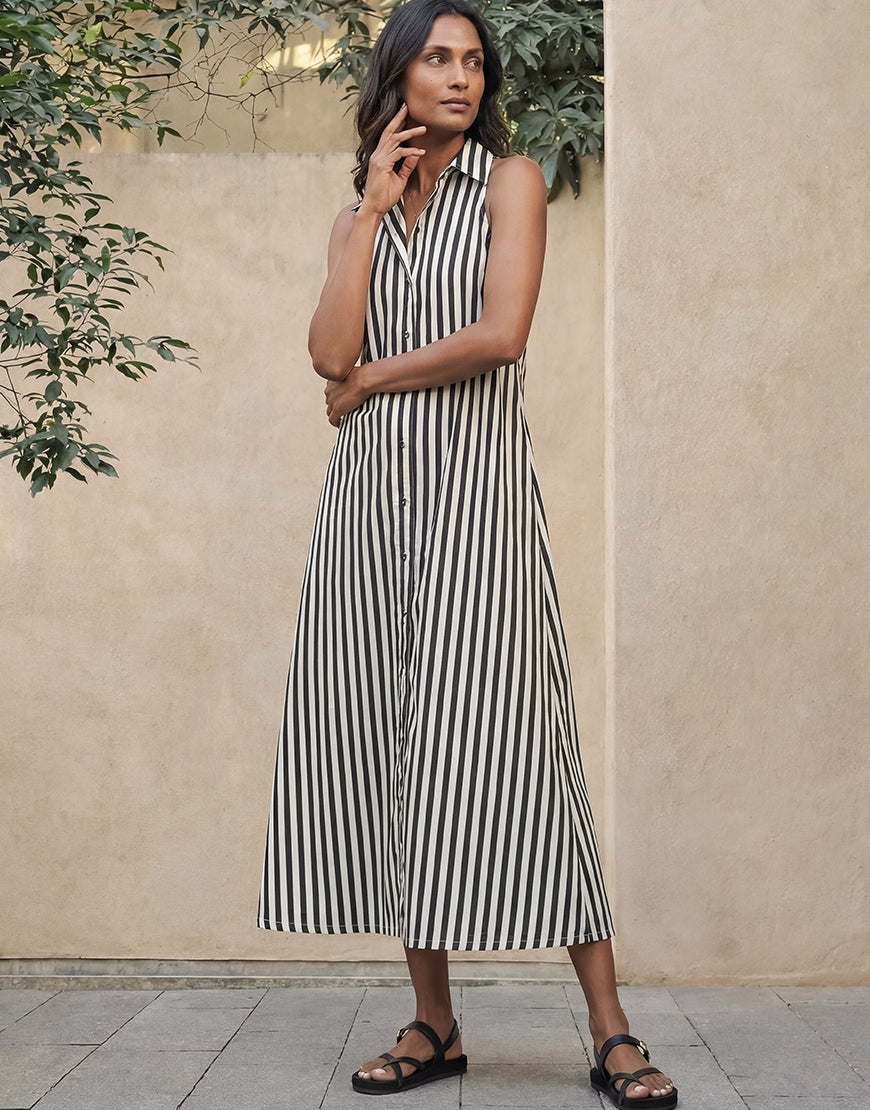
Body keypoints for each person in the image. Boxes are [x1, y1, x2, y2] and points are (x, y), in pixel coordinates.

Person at [258, 0, 677, 1104]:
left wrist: (371, 381)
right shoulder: (357, 217)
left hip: (476, 503)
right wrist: (369, 212)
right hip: (367, 513)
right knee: (400, 744)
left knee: (522, 742)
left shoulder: (512, 183)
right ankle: (433, 1021)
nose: (461, 77)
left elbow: (501, 336)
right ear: (397, 75)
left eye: (475, 62)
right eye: (438, 59)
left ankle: (611, 1029)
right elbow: (326, 352)